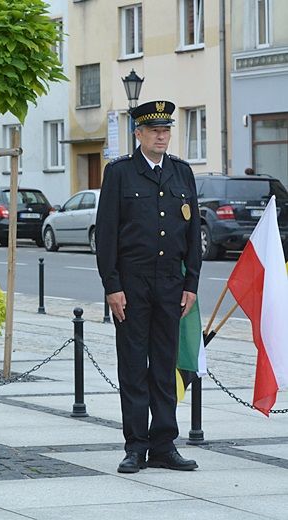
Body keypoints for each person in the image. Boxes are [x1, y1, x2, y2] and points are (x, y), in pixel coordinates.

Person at [95, 100, 201, 474]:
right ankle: (136, 446)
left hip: (171, 283)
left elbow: (193, 234)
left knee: (164, 366)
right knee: (133, 366)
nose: (161, 136)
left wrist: (191, 284)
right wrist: (112, 286)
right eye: (154, 130)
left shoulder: (181, 173)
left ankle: (163, 444)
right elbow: (106, 234)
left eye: (166, 130)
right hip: (132, 285)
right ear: (138, 133)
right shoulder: (120, 173)